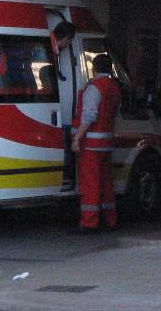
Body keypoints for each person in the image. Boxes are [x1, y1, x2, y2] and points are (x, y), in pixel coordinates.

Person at [72, 50, 120, 232]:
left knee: (90, 184)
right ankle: (110, 219)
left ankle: (89, 222)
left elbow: (89, 116)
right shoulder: (113, 87)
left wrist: (77, 138)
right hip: (106, 144)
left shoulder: (94, 87)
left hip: (91, 145)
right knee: (106, 183)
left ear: (93, 68)